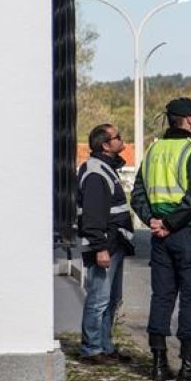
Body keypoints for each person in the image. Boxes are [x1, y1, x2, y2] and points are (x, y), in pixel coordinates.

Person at [131, 97, 191, 381]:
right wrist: (169, 224)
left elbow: (137, 195)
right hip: (189, 235)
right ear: (189, 119)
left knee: (162, 296)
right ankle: (189, 366)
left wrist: (153, 222)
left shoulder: (153, 151)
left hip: (161, 238)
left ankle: (158, 365)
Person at [76, 123, 135, 364]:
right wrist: (100, 248)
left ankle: (105, 346)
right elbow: (92, 216)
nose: (122, 140)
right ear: (105, 145)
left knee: (110, 299)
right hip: (104, 246)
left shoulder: (105, 168)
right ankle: (92, 349)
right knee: (99, 299)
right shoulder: (95, 172)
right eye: (117, 137)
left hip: (113, 243)